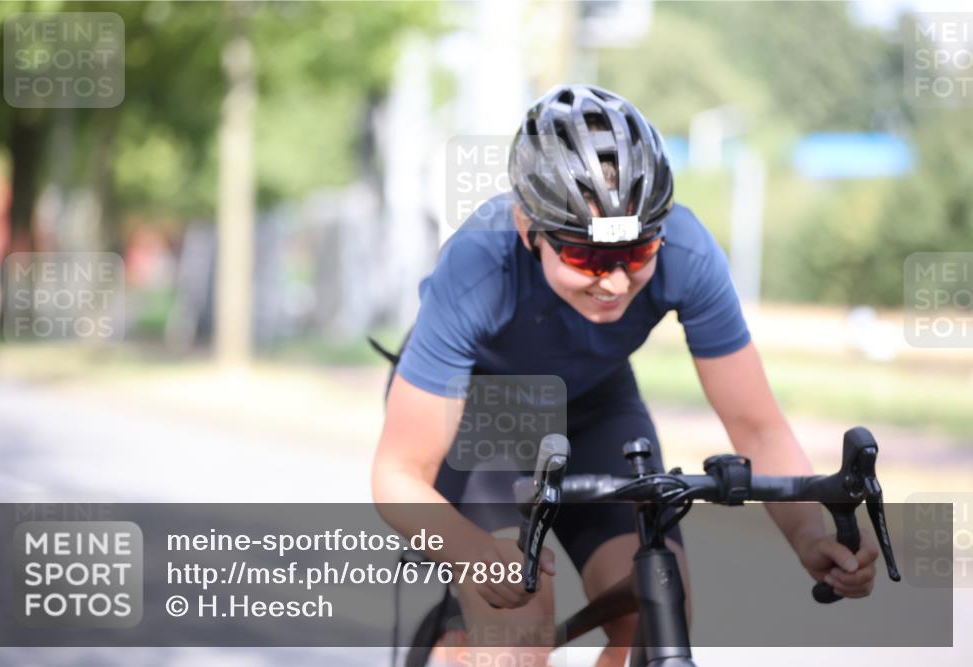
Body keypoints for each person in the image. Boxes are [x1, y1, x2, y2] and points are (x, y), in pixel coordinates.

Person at [372, 84, 878, 666]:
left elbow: (758, 428)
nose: (613, 282)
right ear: (527, 227)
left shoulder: (687, 251)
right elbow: (396, 473)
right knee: (518, 620)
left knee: (657, 606)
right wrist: (469, 551)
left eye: (636, 255)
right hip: (477, 411)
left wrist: (809, 536)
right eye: (585, 257)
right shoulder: (478, 267)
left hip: (593, 406)